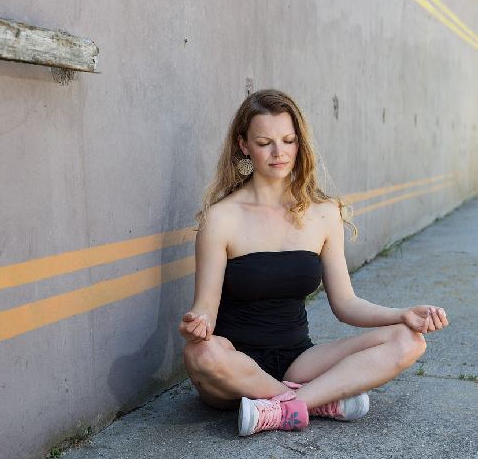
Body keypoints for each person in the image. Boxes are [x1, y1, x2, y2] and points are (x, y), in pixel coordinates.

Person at [179, 89, 449, 436]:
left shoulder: (323, 213)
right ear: (244, 145)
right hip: (234, 369)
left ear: (299, 143)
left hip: (299, 361)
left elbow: (346, 304)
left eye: (288, 140)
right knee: (200, 354)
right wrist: (196, 325)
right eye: (265, 143)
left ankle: (283, 406)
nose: (279, 152)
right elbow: (205, 310)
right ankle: (316, 401)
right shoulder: (221, 218)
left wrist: (403, 314)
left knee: (408, 340)